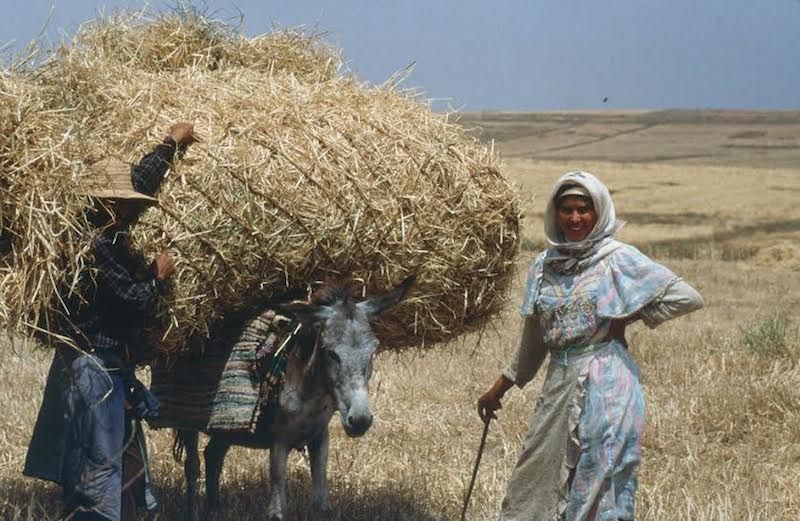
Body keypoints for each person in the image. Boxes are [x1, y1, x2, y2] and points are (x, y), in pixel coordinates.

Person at [478, 171, 704, 521]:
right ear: (555, 214)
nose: (574, 218)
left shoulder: (616, 258)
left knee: (597, 477)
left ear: (598, 213)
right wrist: (498, 390)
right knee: (535, 475)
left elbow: (686, 297)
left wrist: (625, 316)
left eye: (583, 209)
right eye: (566, 209)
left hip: (608, 380)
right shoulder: (544, 266)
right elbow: (533, 342)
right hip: (559, 382)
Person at [24, 123, 197, 521]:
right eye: (121, 204)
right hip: (94, 370)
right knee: (99, 461)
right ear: (103, 205)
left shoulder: (99, 229)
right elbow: (132, 301)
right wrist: (158, 277)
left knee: (121, 457)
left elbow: (140, 181)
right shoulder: (94, 246)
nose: (128, 210)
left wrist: (170, 144)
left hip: (101, 367)